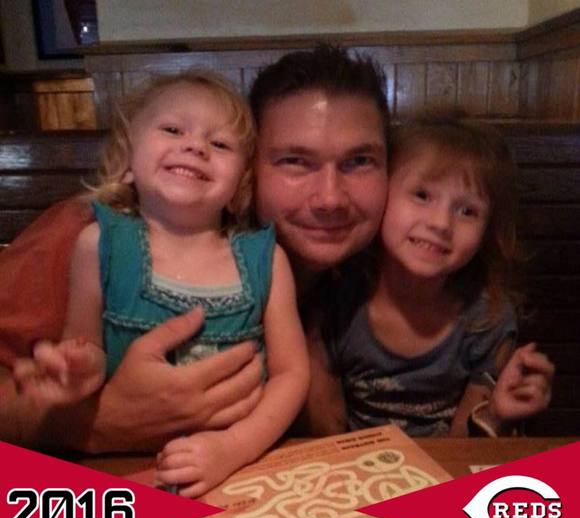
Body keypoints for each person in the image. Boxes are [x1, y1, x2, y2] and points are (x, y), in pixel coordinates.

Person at [0, 46, 552, 452]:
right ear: (248, 169)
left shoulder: (378, 275)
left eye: (359, 162)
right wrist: (99, 424)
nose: (331, 198)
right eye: (294, 161)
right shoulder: (91, 235)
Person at [10, 71, 310, 495]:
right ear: (127, 162)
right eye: (172, 129)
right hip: (125, 472)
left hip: (240, 469)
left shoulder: (267, 259)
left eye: (220, 144)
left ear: (240, 186)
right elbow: (86, 347)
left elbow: (291, 373)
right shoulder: (97, 245)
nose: (195, 146)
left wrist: (234, 447)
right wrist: (75, 371)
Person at [307, 115, 553, 438]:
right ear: (382, 197)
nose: (440, 224)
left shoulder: (488, 318)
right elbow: (326, 432)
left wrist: (495, 416)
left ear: (487, 230)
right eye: (422, 195)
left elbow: (463, 448)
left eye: (467, 211)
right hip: (354, 465)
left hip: (447, 466)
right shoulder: (335, 301)